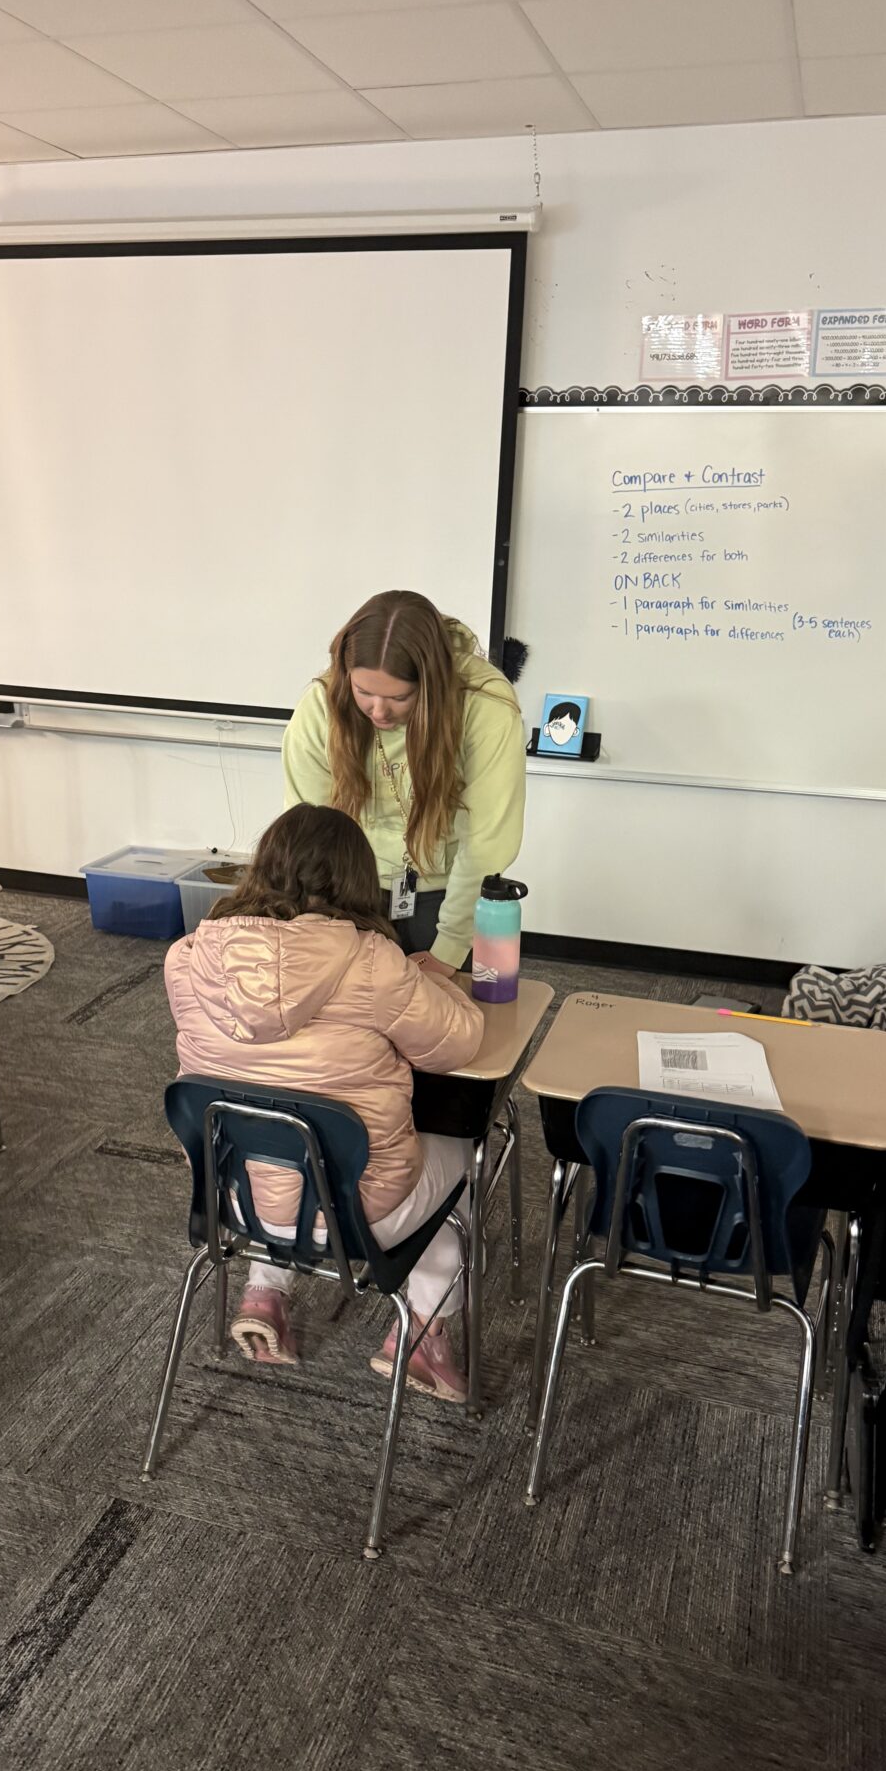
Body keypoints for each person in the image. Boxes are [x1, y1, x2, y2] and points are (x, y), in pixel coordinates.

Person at [164, 803, 484, 1400]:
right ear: (360, 881)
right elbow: (458, 1043)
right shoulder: (373, 962)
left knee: (283, 1146)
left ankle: (264, 1292)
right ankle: (422, 1334)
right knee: (459, 1153)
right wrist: (435, 984)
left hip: (234, 1197)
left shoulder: (186, 958)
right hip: (365, 1214)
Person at [282, 590, 525, 975]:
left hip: (447, 893)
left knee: (452, 1019)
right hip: (349, 888)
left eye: (399, 697)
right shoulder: (321, 703)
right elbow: (308, 830)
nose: (378, 711)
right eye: (364, 692)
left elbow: (485, 841)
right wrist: (315, 923)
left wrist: (449, 947)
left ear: (431, 685)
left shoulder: (485, 704)